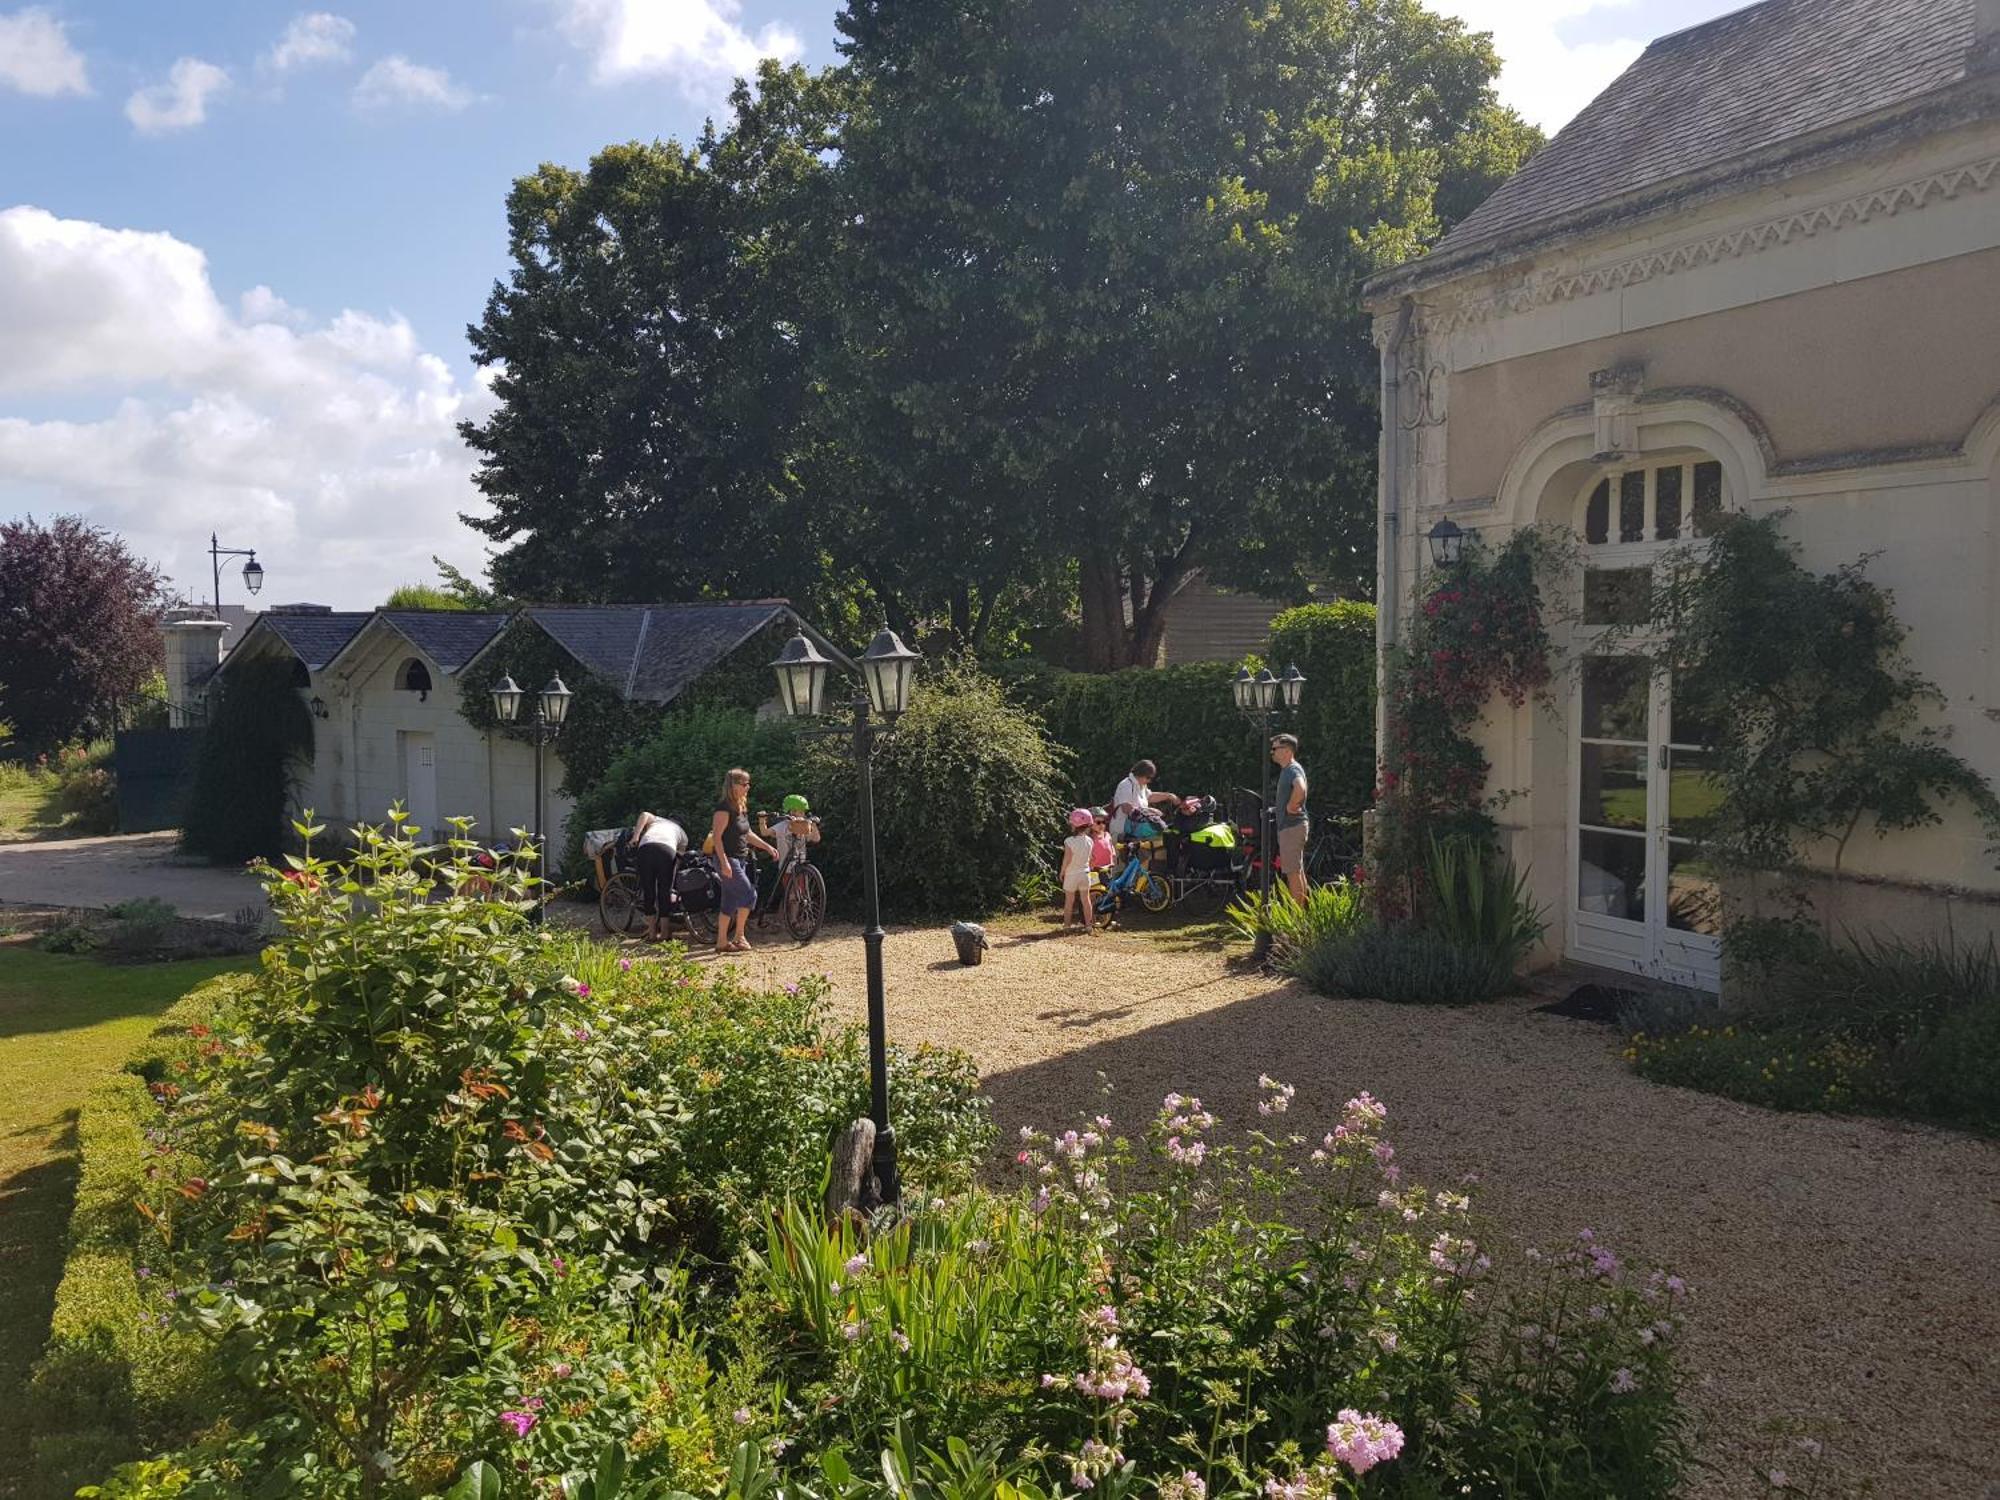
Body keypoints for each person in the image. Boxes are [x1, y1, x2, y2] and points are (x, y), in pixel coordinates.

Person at [711, 767, 779, 955]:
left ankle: (721, 942)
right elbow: (717, 837)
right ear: (733, 785)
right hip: (728, 859)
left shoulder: (740, 807)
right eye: (744, 784)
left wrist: (767, 846)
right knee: (750, 895)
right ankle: (739, 936)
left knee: (729, 901)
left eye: (748, 784)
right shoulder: (724, 808)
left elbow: (747, 833)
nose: (748, 787)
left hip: (740, 859)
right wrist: (724, 863)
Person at [628, 810, 689, 943]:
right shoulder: (683, 834)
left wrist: (636, 836)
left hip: (645, 848)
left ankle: (651, 934)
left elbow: (644, 814)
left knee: (648, 890)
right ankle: (665, 933)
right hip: (667, 851)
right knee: (664, 891)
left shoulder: (658, 820)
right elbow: (680, 858)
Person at [1272, 734, 1310, 904]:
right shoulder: (1289, 769)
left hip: (1291, 828)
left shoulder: (1292, 769)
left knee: (1292, 873)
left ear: (1287, 751)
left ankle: (1297, 920)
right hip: (1293, 827)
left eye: (1275, 748)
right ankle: (1302, 916)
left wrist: (1292, 806)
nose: (1272, 752)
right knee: (1297, 870)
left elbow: (1300, 787)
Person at [1109, 759, 1178, 838]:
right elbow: (1126, 808)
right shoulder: (1126, 785)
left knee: (1164, 830)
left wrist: (1169, 796)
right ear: (1139, 773)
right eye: (1148, 777)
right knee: (1161, 831)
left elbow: (1150, 796)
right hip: (1123, 827)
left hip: (1139, 824)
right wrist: (1149, 811)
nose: (1149, 781)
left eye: (1151, 778)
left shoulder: (1141, 785)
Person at [1059, 807, 1097, 933]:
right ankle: (1089, 926)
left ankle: (1067, 926)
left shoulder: (1069, 841)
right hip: (1085, 874)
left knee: (1069, 901)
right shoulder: (1090, 841)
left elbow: (1067, 859)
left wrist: (1062, 871)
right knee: (1086, 901)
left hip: (1071, 874)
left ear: (1074, 825)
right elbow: (1091, 858)